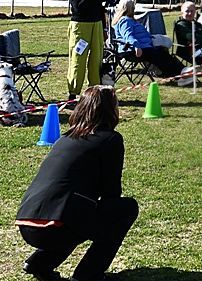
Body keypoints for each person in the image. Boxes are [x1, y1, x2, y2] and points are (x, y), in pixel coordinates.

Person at [15, 85, 138, 281]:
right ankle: (88, 275)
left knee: (78, 213)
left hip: (27, 222)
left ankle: (39, 263)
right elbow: (111, 192)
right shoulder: (110, 139)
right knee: (125, 208)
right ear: (109, 109)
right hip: (56, 227)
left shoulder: (65, 138)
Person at [112, 0, 187, 79]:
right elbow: (128, 35)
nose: (134, 8)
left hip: (144, 46)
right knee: (158, 56)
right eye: (133, 6)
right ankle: (176, 75)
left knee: (163, 52)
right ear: (129, 8)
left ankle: (184, 70)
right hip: (131, 50)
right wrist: (136, 46)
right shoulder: (125, 20)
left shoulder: (131, 20)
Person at [67, 0, 106, 104]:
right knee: (78, 60)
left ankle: (95, 92)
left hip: (96, 26)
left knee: (96, 60)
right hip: (80, 27)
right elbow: (77, 9)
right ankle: (73, 93)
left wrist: (105, 29)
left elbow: (101, 10)